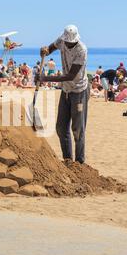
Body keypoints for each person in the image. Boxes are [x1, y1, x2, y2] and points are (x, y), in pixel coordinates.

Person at [39, 25, 88, 164]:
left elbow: (71, 76)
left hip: (78, 91)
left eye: (70, 42)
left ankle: (79, 163)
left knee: (78, 129)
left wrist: (45, 79)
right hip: (66, 91)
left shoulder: (81, 50)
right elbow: (50, 49)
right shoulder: (62, 40)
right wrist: (44, 51)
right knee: (61, 127)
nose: (67, 44)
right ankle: (68, 160)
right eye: (67, 42)